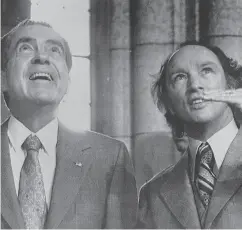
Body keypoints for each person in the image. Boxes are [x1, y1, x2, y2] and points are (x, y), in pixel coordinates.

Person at [1, 19, 137, 229]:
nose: (42, 58)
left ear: (67, 81)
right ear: (2, 78)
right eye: (26, 48)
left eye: (55, 50)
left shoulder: (109, 158)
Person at [136, 41, 242, 229]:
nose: (195, 85)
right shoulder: (152, 194)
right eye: (180, 77)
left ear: (231, 83)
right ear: (168, 102)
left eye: (206, 71)